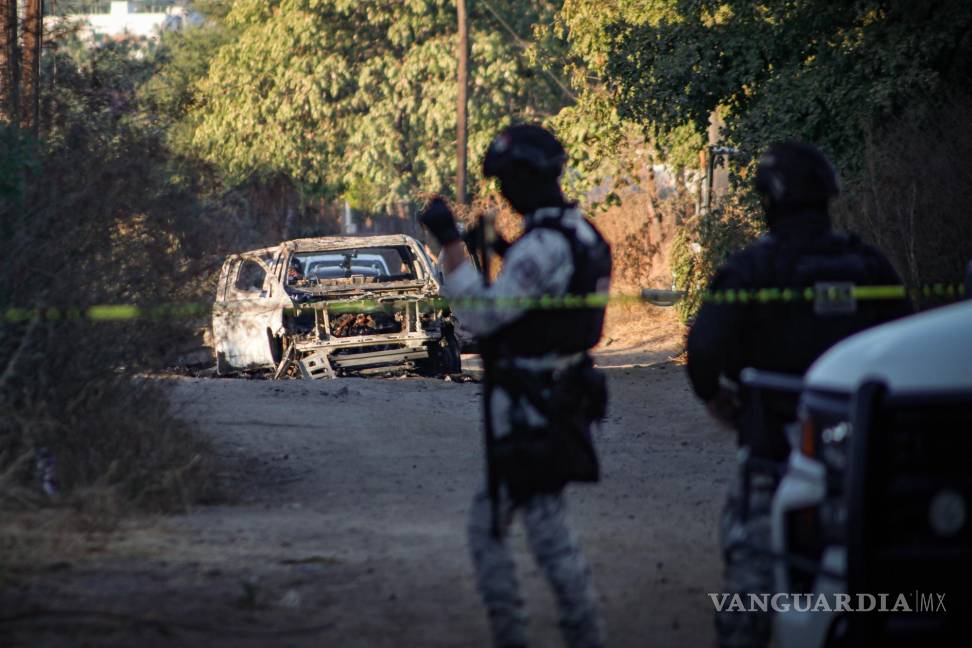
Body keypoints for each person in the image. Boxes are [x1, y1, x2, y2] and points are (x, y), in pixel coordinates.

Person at [686, 140, 912, 648]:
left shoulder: (751, 268)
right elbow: (905, 342)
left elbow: (703, 348)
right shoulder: (868, 263)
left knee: (749, 594)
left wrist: (716, 397)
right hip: (862, 460)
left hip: (773, 452)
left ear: (768, 198)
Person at [419, 124, 610, 648]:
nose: (503, 193)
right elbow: (545, 294)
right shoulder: (582, 232)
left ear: (528, 178)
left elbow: (482, 317)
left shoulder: (541, 246)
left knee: (532, 535)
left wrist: (451, 244)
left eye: (506, 181)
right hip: (562, 395)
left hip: (533, 408)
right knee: (514, 525)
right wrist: (499, 247)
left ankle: (553, 635)